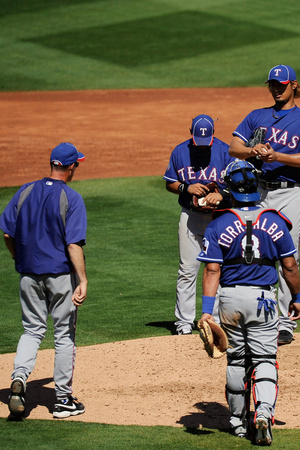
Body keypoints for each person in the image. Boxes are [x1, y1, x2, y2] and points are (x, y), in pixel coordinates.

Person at [197, 160, 300, 445]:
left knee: (236, 359)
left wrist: (207, 312)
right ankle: (264, 412)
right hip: (264, 299)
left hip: (229, 299)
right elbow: (290, 266)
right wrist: (298, 298)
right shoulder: (276, 220)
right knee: (265, 358)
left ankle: (237, 423)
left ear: (230, 187)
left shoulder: (218, 223)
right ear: (255, 186)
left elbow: (212, 270)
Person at [0, 142, 88, 419]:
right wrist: (83, 279)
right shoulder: (71, 198)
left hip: (28, 274)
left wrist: (19, 259)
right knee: (64, 336)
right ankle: (63, 401)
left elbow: (6, 234)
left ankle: (19, 379)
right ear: (71, 166)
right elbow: (73, 245)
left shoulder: (24, 191)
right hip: (60, 276)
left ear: (52, 163)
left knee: (32, 330)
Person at [228, 64, 300, 345]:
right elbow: (234, 148)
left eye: (281, 84)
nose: (276, 88)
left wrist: (278, 156)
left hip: (292, 193)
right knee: (253, 252)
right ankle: (256, 316)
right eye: (272, 84)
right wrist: (252, 151)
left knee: (288, 255)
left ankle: (285, 322)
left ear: (294, 85)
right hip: (258, 192)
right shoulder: (257, 116)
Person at [163, 114, 235, 335]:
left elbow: (240, 182)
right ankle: (184, 323)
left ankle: (214, 321)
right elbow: (170, 183)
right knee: (187, 270)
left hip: (220, 218)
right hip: (191, 217)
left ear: (213, 135)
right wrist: (187, 188)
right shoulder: (179, 151)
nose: (202, 146)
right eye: (198, 140)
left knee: (217, 269)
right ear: (190, 133)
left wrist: (221, 194)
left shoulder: (225, 151)